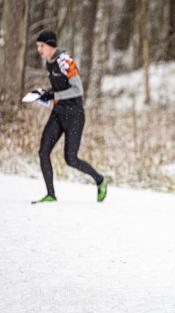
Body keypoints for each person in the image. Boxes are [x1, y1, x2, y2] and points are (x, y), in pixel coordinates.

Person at [32, 30, 107, 204]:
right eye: (37, 46)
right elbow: (58, 88)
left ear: (51, 45)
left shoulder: (66, 61)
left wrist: (55, 96)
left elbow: (77, 90)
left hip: (75, 116)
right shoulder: (49, 63)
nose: (39, 50)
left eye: (41, 46)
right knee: (43, 152)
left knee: (71, 159)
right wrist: (45, 93)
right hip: (58, 114)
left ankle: (100, 180)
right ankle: (50, 194)